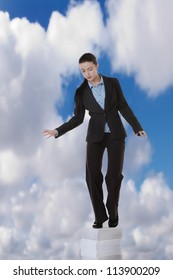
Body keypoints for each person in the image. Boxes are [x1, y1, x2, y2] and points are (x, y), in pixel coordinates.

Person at [43, 53, 147, 229]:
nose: (87, 74)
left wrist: (137, 127)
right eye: (83, 71)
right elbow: (77, 118)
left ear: (97, 66)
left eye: (90, 69)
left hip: (115, 134)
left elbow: (123, 105)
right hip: (94, 136)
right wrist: (57, 131)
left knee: (113, 176)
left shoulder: (113, 83)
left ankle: (113, 212)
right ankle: (100, 216)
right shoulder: (81, 92)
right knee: (92, 175)